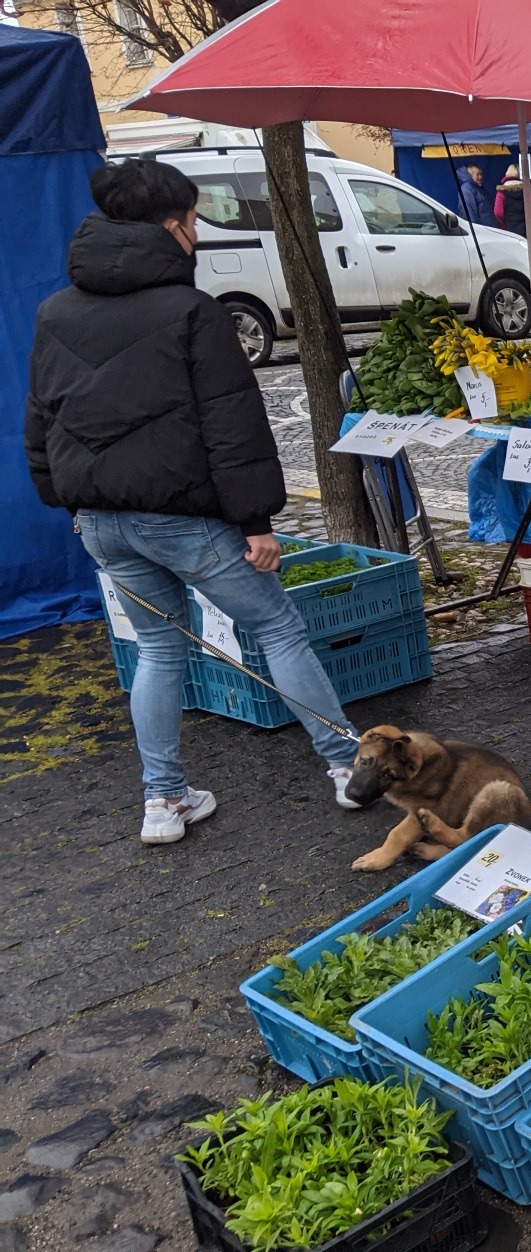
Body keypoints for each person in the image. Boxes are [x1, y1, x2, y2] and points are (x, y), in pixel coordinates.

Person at [24, 158, 361, 845]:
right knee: (277, 627)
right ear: (173, 227)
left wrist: (64, 501)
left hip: (100, 522)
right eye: (194, 220)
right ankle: (347, 766)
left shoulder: (54, 312)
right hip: (183, 519)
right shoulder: (192, 310)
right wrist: (256, 521)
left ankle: (163, 800)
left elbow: (40, 420)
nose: (198, 232)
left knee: (157, 646)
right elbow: (232, 422)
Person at [493, 163, 527, 236]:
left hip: (509, 230)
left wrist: (504, 225)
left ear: (506, 174)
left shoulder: (501, 192)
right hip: (525, 230)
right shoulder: (526, 191)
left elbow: (498, 212)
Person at [456, 161, 489, 227]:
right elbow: (469, 213)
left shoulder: (479, 188)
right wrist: (475, 228)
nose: (480, 177)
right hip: (481, 230)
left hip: (489, 228)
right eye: (477, 174)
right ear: (470, 175)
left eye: (481, 174)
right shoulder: (467, 189)